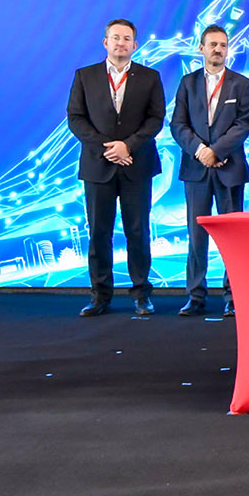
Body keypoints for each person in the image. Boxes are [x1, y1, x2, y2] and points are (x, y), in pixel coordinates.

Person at [66, 19, 165, 317]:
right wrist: (108, 148)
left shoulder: (150, 77)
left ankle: (141, 295)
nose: (121, 43)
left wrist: (128, 146)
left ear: (135, 45)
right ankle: (100, 296)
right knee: (99, 233)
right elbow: (75, 118)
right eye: (116, 38)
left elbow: (156, 118)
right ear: (105, 42)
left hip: (137, 164)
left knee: (138, 231)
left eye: (127, 38)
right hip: (98, 165)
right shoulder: (85, 76)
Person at [170, 24, 249, 317]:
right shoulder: (187, 83)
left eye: (223, 45)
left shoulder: (242, 84)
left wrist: (216, 151)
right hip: (196, 170)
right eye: (212, 44)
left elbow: (243, 124)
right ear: (201, 48)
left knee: (234, 239)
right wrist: (201, 151)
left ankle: (234, 295)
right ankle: (195, 295)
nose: (218, 49)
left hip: (229, 169)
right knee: (196, 236)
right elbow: (177, 124)